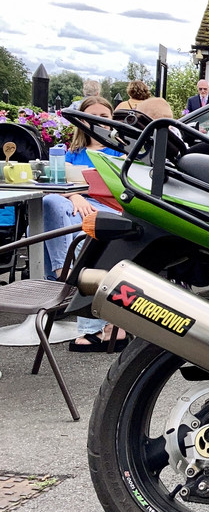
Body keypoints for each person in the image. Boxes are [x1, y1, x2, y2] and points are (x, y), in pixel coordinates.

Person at [40, 96, 127, 352]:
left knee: (82, 231)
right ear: (82, 121)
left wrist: (78, 192)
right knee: (50, 204)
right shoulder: (73, 151)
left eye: (104, 116)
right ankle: (65, 272)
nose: (98, 121)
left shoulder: (118, 150)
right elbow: (58, 184)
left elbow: (119, 187)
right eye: (91, 117)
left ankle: (73, 291)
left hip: (107, 206)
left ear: (111, 120)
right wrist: (74, 196)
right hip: (76, 206)